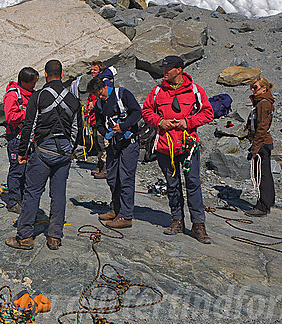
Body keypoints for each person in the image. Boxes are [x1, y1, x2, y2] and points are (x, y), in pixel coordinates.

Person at [7, 60, 82, 251]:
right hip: (64, 152)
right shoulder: (73, 100)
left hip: (42, 151)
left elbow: (29, 126)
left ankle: (25, 237)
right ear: (62, 74)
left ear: (46, 75)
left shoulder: (39, 96)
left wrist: (22, 152)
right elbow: (77, 129)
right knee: (58, 194)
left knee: (32, 193)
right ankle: (55, 237)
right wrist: (70, 149)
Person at [142, 56, 214, 244]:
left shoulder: (195, 90)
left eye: (168, 68)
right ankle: (177, 220)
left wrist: (187, 122)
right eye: (164, 68)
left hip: (188, 146)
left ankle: (198, 225)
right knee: (172, 184)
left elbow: (208, 113)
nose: (164, 71)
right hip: (165, 147)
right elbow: (146, 111)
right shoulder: (157, 91)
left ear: (179, 70)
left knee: (193, 184)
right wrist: (160, 122)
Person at [88, 77, 142, 229]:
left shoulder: (123, 94)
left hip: (129, 143)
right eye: (97, 95)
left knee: (126, 178)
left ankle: (125, 215)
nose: (100, 97)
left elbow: (137, 113)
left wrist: (123, 126)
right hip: (113, 144)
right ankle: (115, 208)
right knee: (112, 177)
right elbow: (99, 123)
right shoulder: (99, 104)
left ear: (105, 86)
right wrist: (106, 133)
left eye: (101, 93)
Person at [3, 67, 38, 213]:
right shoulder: (13, 95)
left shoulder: (33, 94)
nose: (35, 85)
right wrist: (28, 114)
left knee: (27, 171)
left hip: (31, 139)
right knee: (17, 171)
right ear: (24, 81)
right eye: (33, 82)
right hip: (17, 139)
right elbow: (10, 117)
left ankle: (23, 198)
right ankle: (13, 201)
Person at [245, 78, 275, 217]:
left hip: (262, 143)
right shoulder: (263, 102)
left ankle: (263, 206)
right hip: (263, 142)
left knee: (261, 175)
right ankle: (268, 202)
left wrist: (255, 148)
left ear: (264, 88)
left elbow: (262, 127)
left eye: (255, 87)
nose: (253, 89)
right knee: (265, 173)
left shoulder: (263, 104)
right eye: (252, 87)